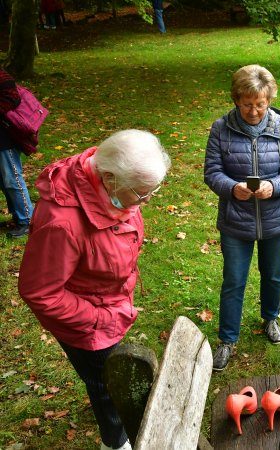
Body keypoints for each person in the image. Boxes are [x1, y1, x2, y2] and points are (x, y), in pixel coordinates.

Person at [18, 130, 171, 450]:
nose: (148, 199)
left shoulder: (113, 189)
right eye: (142, 193)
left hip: (108, 306)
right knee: (105, 385)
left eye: (152, 189)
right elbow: (41, 292)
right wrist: (101, 319)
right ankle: (115, 443)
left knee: (106, 374)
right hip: (86, 322)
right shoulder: (62, 223)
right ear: (110, 179)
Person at [204, 64, 280, 371]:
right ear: (236, 100)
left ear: (269, 99)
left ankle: (271, 319)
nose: (254, 111)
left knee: (273, 274)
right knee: (234, 279)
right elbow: (211, 172)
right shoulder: (221, 128)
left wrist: (274, 187)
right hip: (236, 219)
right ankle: (227, 339)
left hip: (276, 217)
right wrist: (232, 189)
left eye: (260, 104)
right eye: (247, 104)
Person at [0, 68, 33, 238]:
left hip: (6, 138)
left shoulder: (3, 76)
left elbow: (12, 98)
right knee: (3, 181)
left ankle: (27, 220)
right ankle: (17, 215)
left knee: (12, 179)